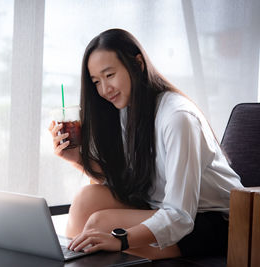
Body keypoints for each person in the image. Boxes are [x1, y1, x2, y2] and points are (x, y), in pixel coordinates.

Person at [48, 28, 243, 260]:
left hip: (214, 221)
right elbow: (130, 183)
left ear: (137, 64)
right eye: (96, 81)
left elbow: (181, 215)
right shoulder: (125, 109)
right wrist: (78, 158)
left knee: (100, 223)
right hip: (158, 206)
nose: (104, 89)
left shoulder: (178, 117)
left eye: (109, 75)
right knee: (85, 201)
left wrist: (120, 239)